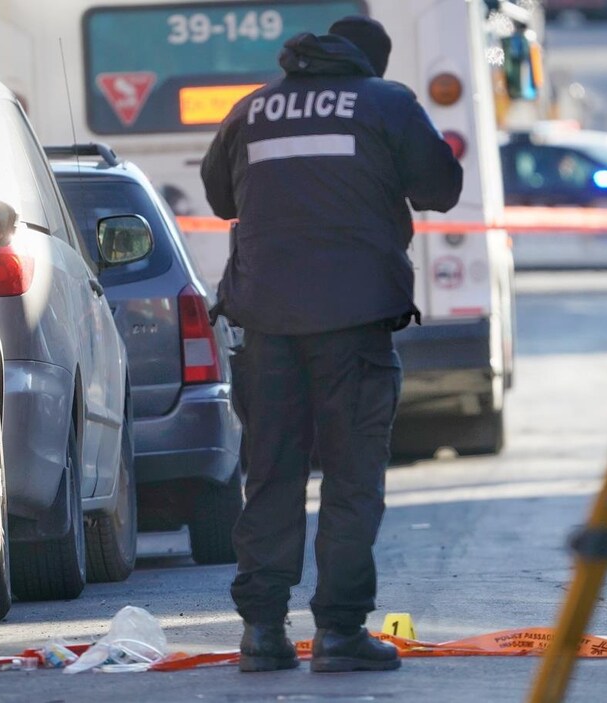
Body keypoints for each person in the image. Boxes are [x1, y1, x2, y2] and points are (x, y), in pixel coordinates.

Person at [200, 15, 462, 673]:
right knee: (352, 476)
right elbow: (442, 189)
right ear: (370, 63)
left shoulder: (253, 109)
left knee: (272, 473)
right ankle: (341, 632)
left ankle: (263, 632)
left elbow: (218, 194)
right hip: (354, 321)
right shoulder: (384, 102)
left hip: (265, 321)